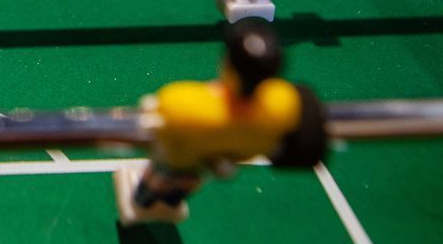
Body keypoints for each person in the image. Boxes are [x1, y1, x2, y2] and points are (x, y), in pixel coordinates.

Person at [114, 21, 316, 224]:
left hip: (176, 159)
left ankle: (143, 203)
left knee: (158, 181)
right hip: (205, 166)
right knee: (185, 185)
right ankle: (170, 204)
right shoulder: (282, 108)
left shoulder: (181, 103)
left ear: (229, 65)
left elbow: (153, 110)